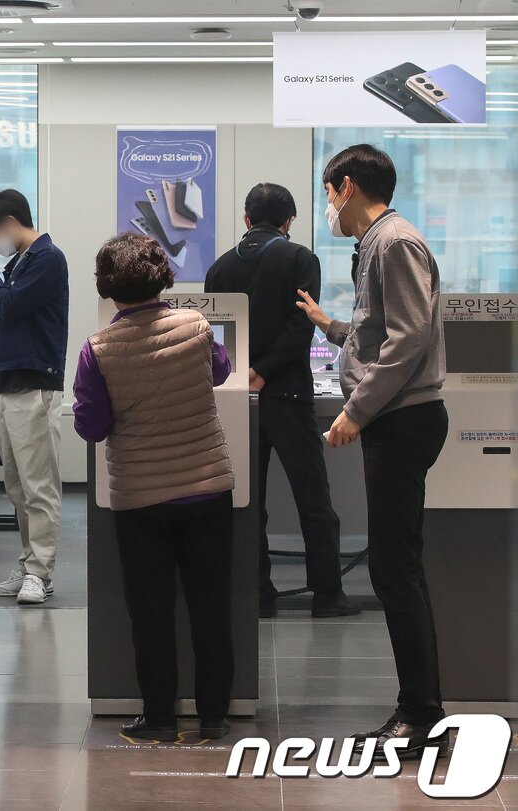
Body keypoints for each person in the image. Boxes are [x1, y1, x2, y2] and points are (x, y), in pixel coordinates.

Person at [296, 144, 449, 759]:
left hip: (402, 419)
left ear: (348, 186)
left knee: (396, 569)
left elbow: (410, 338)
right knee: (393, 566)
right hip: (395, 415)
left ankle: (421, 715)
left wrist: (355, 412)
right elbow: (377, 330)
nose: (328, 205)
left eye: (328, 192)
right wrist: (330, 326)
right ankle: (417, 709)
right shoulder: (377, 245)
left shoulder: (395, 242)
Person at [73, 233, 236, 742]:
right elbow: (221, 370)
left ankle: (161, 719)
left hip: (141, 498)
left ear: (107, 288)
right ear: (162, 277)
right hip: (208, 488)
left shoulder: (97, 350)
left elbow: (92, 427)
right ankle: (213, 716)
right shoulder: (196, 326)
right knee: (211, 606)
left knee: (151, 611)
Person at [205, 183, 360, 620]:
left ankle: (258, 596)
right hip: (288, 395)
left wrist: (248, 373)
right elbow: (301, 326)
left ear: (246, 219)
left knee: (250, 500)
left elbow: (215, 332)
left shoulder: (219, 269)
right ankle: (328, 596)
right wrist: (269, 370)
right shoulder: (299, 258)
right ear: (289, 220)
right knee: (313, 499)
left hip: (238, 398)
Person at [0, 189, 69, 606]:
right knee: (16, 486)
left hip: (34, 386)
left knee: (38, 486)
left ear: (10, 222)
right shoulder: (22, 263)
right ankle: (29, 561)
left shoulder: (48, 258)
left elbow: (9, 306)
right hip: (9, 385)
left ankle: (41, 573)